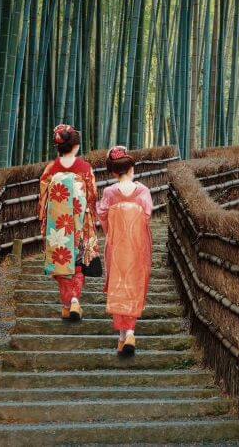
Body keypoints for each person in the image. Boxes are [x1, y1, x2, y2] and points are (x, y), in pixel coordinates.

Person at [38, 124, 101, 322]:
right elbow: (92, 196)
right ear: (75, 147)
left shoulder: (51, 170)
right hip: (79, 223)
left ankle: (67, 304)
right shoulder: (85, 168)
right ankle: (74, 300)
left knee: (61, 263)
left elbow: (43, 199)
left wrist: (45, 221)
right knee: (78, 263)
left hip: (58, 226)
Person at [97, 146, 153, 356]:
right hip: (138, 246)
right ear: (131, 168)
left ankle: (123, 335)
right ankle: (129, 332)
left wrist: (115, 224)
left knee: (118, 284)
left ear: (113, 172)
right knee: (135, 284)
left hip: (118, 246)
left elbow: (102, 215)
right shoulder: (143, 191)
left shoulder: (110, 192)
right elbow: (146, 217)